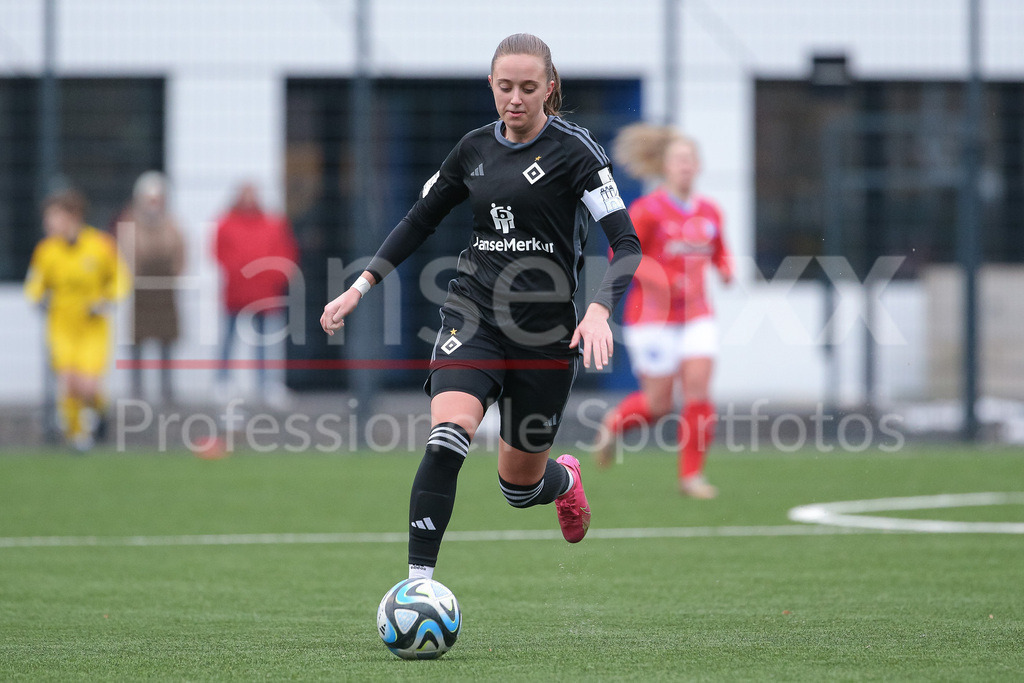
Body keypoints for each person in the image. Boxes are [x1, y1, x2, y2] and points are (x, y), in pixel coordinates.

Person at [321, 33, 641, 580]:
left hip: (545, 337)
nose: (515, 98)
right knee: (447, 439)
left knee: (519, 489)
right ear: (490, 85)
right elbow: (419, 220)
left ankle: (563, 481)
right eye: (504, 86)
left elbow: (627, 244)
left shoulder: (577, 151)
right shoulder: (473, 150)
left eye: (528, 88)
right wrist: (359, 286)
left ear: (550, 89)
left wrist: (598, 310)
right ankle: (417, 587)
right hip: (473, 316)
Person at [594, 124, 733, 498]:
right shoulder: (647, 210)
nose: (686, 166)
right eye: (679, 160)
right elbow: (620, 256)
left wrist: (726, 268)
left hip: (697, 314)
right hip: (652, 319)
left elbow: (719, 250)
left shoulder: (710, 211)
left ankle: (691, 477)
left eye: (691, 159)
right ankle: (615, 422)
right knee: (658, 406)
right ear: (664, 166)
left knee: (699, 392)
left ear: (699, 165)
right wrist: (654, 277)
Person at [24, 188, 132, 451]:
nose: (48, 224)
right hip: (61, 324)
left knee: (87, 386)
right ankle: (78, 436)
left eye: (54, 217)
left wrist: (105, 300)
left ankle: (100, 411)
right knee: (69, 382)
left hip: (92, 326)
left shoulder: (100, 245)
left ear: (73, 216)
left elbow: (120, 279)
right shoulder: (47, 250)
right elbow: (35, 283)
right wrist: (38, 298)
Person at [213, 182, 299, 406]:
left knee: (266, 342)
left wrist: (274, 277)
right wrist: (241, 273)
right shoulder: (226, 223)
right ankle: (222, 382)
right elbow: (220, 253)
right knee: (228, 338)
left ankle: (266, 385)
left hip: (265, 293)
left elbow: (285, 253)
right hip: (236, 292)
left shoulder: (272, 223)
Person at [115, 171, 186, 404]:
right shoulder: (130, 223)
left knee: (166, 341)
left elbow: (180, 254)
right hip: (141, 290)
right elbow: (126, 254)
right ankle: (137, 390)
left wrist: (174, 275)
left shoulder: (172, 225)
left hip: (165, 290)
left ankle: (167, 390)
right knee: (137, 340)